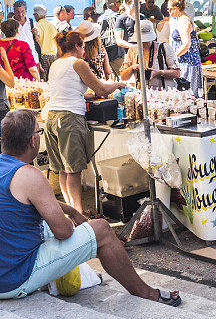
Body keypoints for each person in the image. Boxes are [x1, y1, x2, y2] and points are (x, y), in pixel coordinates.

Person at [0, 109, 181, 305]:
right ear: (33, 141)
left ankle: (86, 277)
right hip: (14, 279)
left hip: (6, 269)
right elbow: (63, 232)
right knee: (101, 229)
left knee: (44, 222)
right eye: (39, 132)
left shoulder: (9, 169)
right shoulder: (30, 175)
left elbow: (38, 201)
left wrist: (71, 211)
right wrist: (70, 222)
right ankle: (147, 293)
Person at [45, 30, 122, 214]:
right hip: (69, 118)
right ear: (77, 46)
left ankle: (71, 211)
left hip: (52, 117)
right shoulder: (78, 63)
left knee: (63, 170)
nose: (84, 51)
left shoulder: (56, 64)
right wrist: (120, 84)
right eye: (83, 46)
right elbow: (102, 89)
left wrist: (87, 94)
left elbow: (67, 89)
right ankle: (78, 214)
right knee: (73, 170)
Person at [121, 19, 180, 89]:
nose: (144, 42)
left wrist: (159, 72)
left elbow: (177, 73)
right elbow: (123, 77)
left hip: (164, 94)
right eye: (141, 40)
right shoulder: (132, 50)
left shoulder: (164, 48)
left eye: (146, 40)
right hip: (142, 93)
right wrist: (132, 68)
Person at [167, 0, 203, 96]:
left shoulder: (184, 21)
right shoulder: (180, 20)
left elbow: (186, 44)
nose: (169, 12)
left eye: (170, 9)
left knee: (188, 94)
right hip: (183, 62)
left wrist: (172, 57)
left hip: (188, 63)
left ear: (177, 8)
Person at [98, 0, 126, 79]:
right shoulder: (118, 17)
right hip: (117, 51)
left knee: (112, 78)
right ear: (116, 4)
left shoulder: (100, 18)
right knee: (123, 77)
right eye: (119, 2)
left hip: (105, 52)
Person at [32, 5, 57, 82]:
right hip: (54, 56)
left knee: (44, 81)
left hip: (43, 57)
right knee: (53, 80)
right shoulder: (52, 26)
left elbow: (37, 41)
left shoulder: (37, 26)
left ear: (36, 15)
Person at [12, 0, 39, 65]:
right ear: (14, 12)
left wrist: (36, 35)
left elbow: (37, 40)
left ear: (26, 11)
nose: (20, 15)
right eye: (17, 12)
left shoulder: (32, 22)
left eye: (22, 11)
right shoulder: (10, 24)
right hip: (18, 62)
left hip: (33, 59)